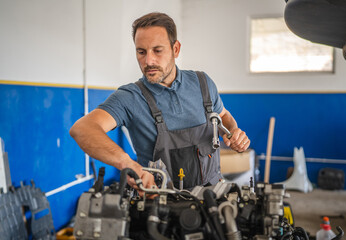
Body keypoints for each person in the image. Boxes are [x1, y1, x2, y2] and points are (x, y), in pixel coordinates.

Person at [69, 12, 250, 194]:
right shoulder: (129, 97)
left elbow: (222, 115)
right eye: (141, 52)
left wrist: (233, 131)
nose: (148, 61)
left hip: (214, 197)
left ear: (176, 49)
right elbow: (82, 129)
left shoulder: (203, 83)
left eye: (157, 50)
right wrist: (128, 164)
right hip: (160, 205)